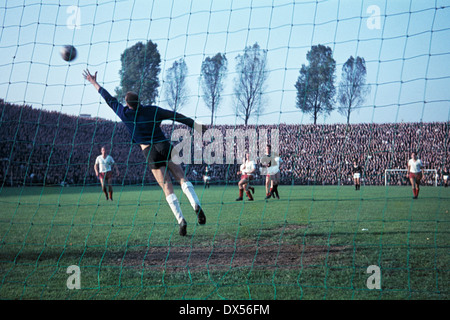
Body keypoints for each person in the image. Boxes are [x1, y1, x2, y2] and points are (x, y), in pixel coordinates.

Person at [83, 69, 206, 236]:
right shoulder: (152, 110)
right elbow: (176, 115)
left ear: (127, 104)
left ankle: (181, 220)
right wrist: (196, 127)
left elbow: (109, 99)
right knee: (181, 177)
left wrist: (93, 82)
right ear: (140, 101)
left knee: (167, 187)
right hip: (163, 144)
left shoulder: (124, 113)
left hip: (149, 151)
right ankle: (195, 204)